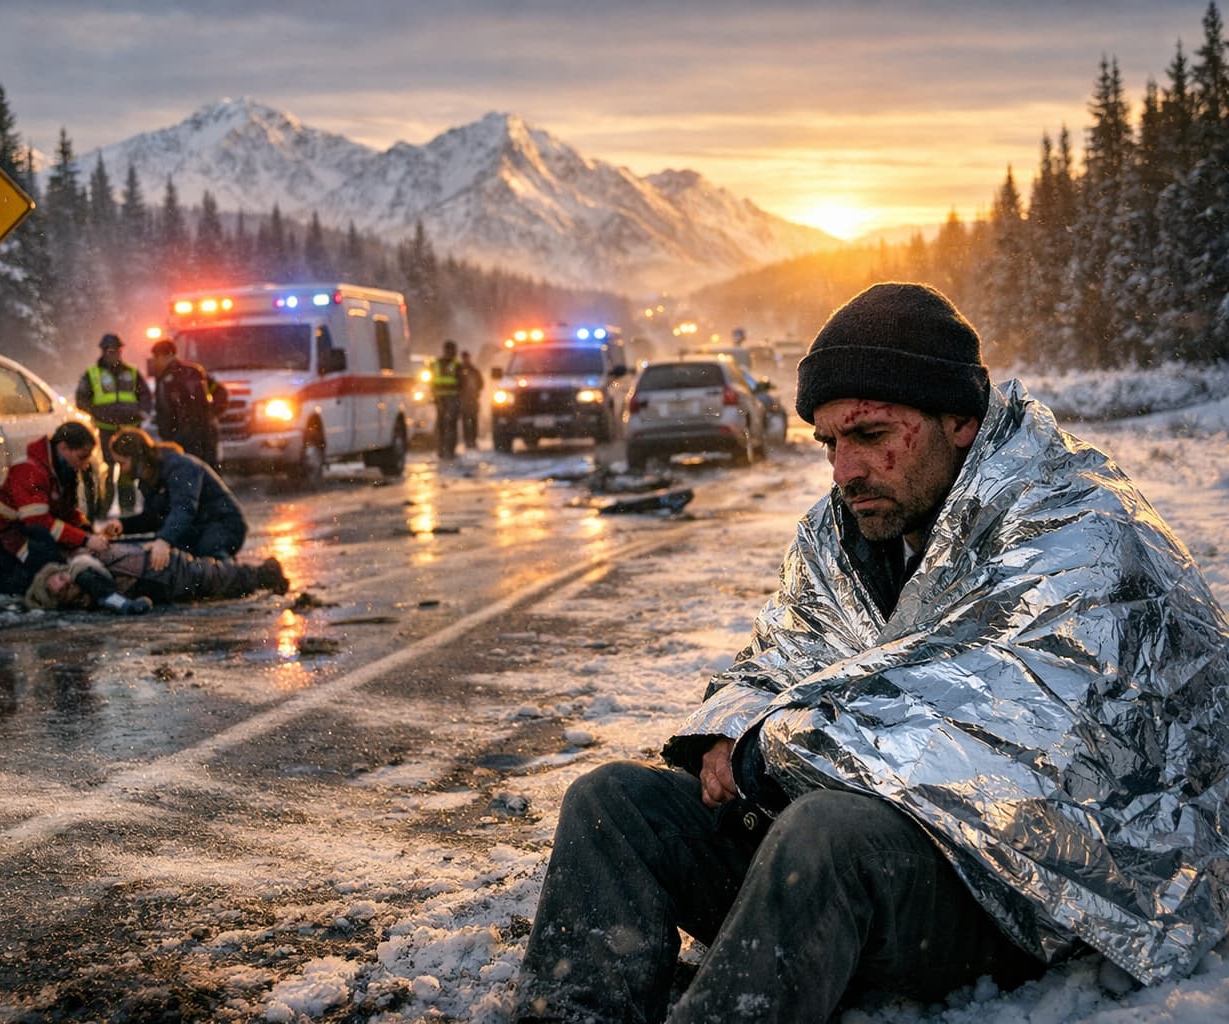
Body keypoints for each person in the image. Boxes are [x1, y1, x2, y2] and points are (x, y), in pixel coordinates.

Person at [513, 282, 1229, 1024]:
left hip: (1016, 886)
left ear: (960, 421)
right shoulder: (850, 529)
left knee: (825, 831)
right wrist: (725, 731)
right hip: (855, 861)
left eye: (870, 435)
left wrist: (770, 747)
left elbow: (993, 713)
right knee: (612, 802)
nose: (844, 470)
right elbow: (782, 654)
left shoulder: (1072, 522)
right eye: (829, 443)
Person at [0, 421, 112, 596]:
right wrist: (84, 540)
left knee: (54, 556)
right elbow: (38, 522)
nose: (85, 464)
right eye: (82, 457)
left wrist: (87, 532)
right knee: (44, 564)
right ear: (63, 448)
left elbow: (68, 511)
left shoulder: (59, 472)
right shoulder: (30, 470)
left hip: (20, 529)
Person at [104, 426, 248, 568]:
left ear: (136, 457)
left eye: (122, 463)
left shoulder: (180, 466)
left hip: (224, 525)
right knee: (153, 549)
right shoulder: (151, 477)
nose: (120, 469)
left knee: (204, 559)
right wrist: (122, 525)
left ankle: (234, 573)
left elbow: (184, 509)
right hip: (197, 527)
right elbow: (152, 518)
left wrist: (164, 540)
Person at [24, 542, 290, 613]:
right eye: (59, 592)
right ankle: (264, 575)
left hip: (164, 573)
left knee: (219, 578)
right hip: (163, 576)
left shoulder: (80, 571)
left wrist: (127, 606)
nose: (65, 585)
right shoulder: (83, 587)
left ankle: (267, 573)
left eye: (58, 580)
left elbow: (106, 594)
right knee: (220, 581)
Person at [75, 332, 152, 513]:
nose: (113, 354)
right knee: (105, 472)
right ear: (103, 352)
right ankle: (103, 512)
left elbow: (146, 395)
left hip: (130, 431)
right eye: (109, 350)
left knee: (129, 471)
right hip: (105, 430)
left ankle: (128, 511)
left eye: (116, 350)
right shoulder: (92, 374)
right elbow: (81, 399)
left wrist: (142, 412)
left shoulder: (132, 373)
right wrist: (95, 413)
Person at [150, 337, 225, 470]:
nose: (155, 361)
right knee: (208, 473)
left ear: (168, 355)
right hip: (203, 435)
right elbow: (221, 392)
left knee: (188, 474)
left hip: (183, 439)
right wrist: (210, 415)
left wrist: (171, 433)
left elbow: (166, 411)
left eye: (157, 357)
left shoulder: (169, 379)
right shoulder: (194, 371)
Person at [428, 339, 461, 459]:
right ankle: (446, 451)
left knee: (444, 424)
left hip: (443, 398)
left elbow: (431, 382)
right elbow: (462, 383)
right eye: (453, 349)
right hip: (449, 398)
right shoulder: (456, 365)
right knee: (448, 424)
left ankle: (445, 450)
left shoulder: (437, 364)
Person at [458, 349, 484, 449]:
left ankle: (473, 440)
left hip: (472, 399)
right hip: (464, 400)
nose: (466, 359)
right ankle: (467, 441)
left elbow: (481, 384)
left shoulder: (474, 370)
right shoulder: (459, 370)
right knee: (466, 420)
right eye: (464, 358)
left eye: (467, 357)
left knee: (473, 420)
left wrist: (476, 391)